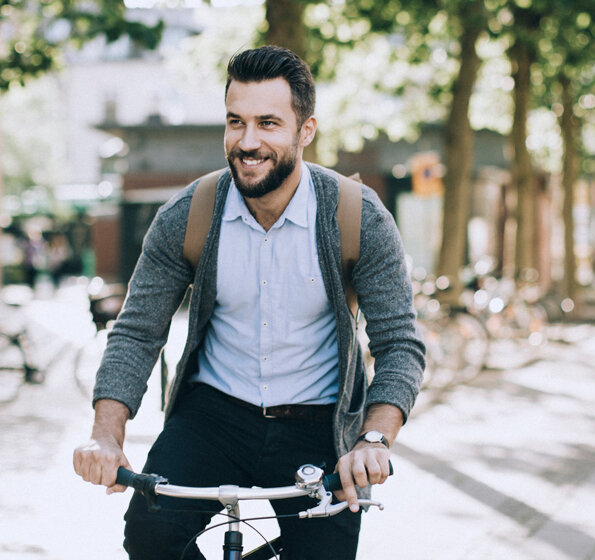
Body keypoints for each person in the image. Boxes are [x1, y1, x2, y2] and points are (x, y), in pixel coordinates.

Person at [73, 45, 425, 560]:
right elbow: (137, 331)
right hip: (212, 415)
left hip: (318, 422)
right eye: (235, 122)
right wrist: (106, 435)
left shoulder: (358, 217)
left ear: (306, 131)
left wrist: (373, 440)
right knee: (150, 537)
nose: (248, 141)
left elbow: (399, 344)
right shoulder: (187, 216)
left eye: (268, 123)